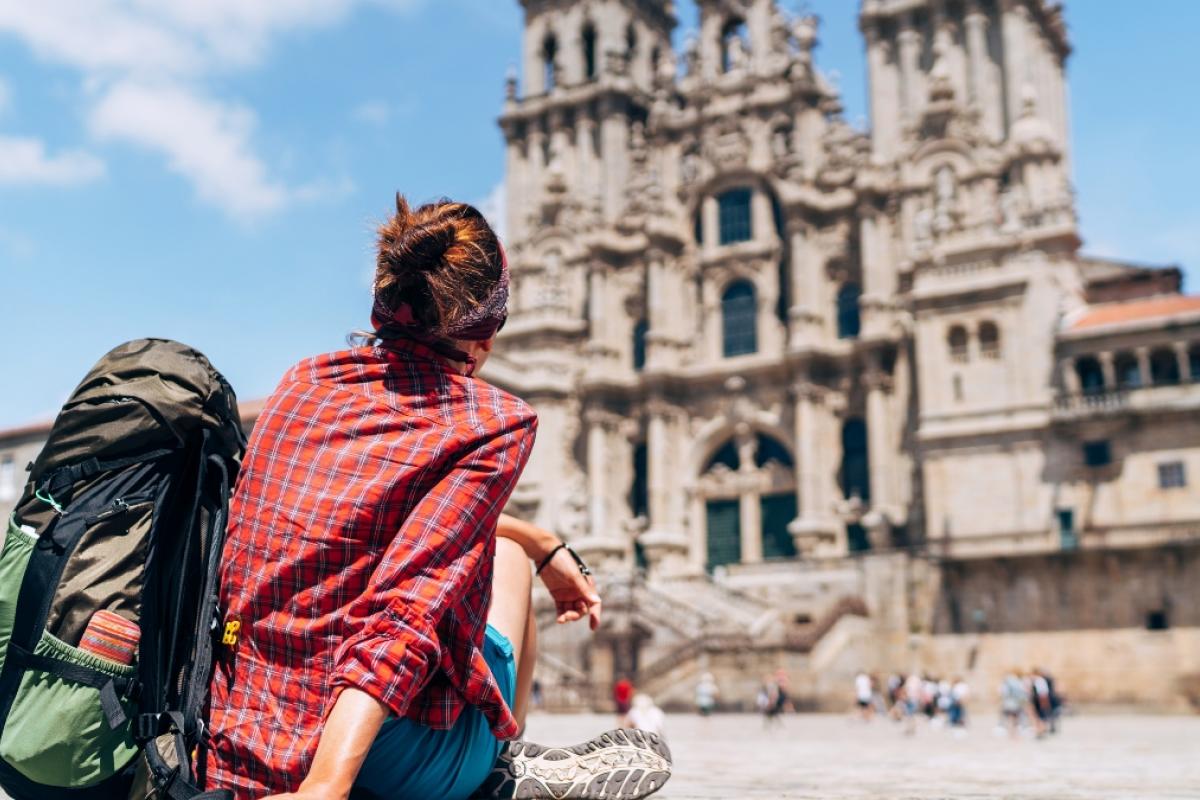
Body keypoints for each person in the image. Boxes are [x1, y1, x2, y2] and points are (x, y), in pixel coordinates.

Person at [204, 196, 671, 800]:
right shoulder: (495, 420)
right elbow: (406, 611)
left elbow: (368, 532)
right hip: (372, 757)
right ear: (484, 333)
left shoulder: (303, 380)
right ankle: (499, 760)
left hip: (239, 718)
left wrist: (542, 537)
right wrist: (325, 785)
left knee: (506, 547)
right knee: (506, 561)